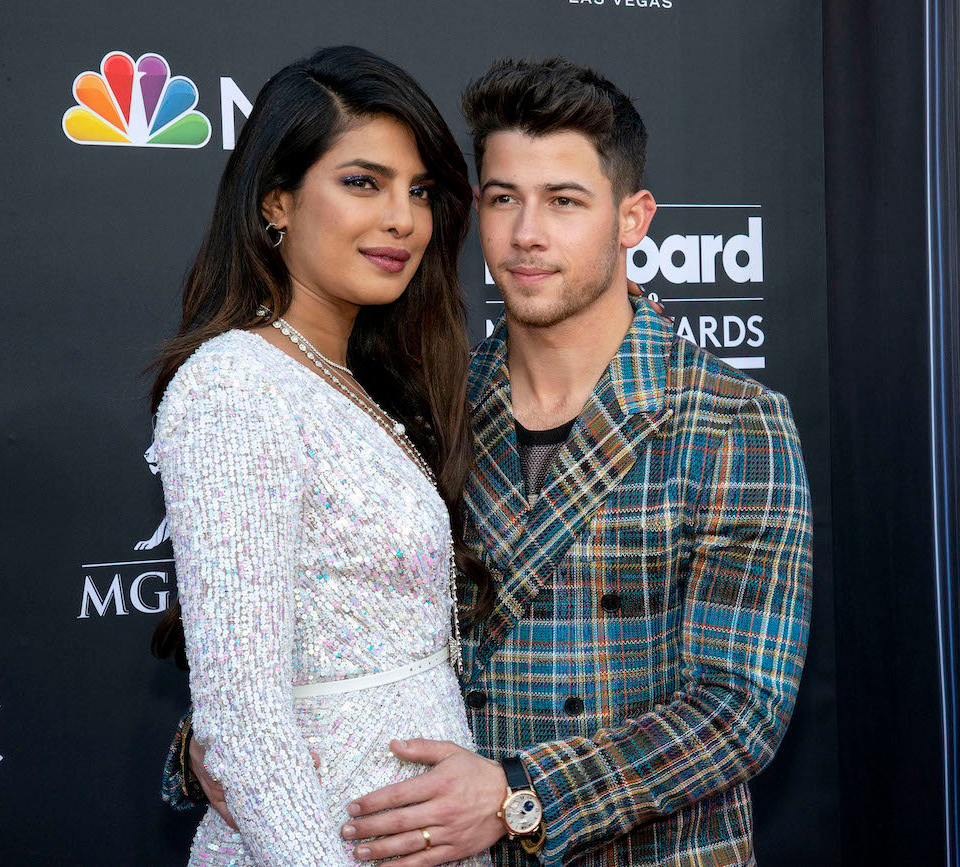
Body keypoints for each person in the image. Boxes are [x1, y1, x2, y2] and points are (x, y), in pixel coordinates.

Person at [173, 57, 812, 867]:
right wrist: (216, 741)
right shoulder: (425, 402)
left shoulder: (731, 420)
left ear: (633, 217)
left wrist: (519, 790)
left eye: (565, 201)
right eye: (504, 198)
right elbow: (339, 620)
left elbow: (739, 708)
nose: (526, 234)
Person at [148, 45, 491, 866]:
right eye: (363, 182)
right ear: (276, 200)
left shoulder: (360, 381)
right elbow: (242, 725)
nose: (403, 219)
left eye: (420, 191)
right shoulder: (236, 384)